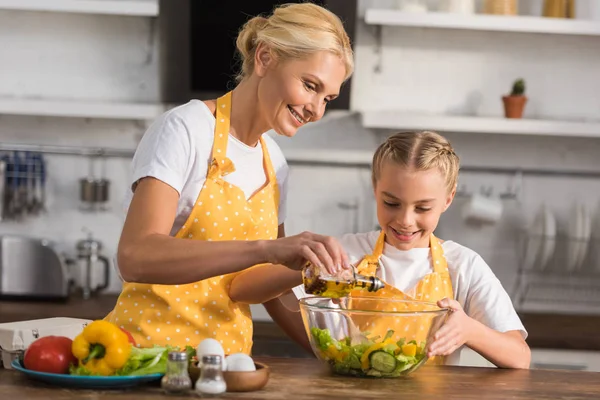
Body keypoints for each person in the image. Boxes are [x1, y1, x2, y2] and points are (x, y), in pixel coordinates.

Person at [104, 2, 355, 354]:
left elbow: (247, 286)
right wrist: (269, 249)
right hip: (148, 358)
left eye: (327, 97)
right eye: (310, 85)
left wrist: (311, 274)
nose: (317, 109)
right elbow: (135, 256)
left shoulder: (275, 164)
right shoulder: (185, 128)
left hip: (225, 368)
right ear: (265, 58)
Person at [230, 131, 531, 369]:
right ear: (375, 188)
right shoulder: (345, 252)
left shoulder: (463, 265)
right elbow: (244, 288)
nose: (405, 220)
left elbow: (520, 356)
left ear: (448, 200)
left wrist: (469, 330)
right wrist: (301, 268)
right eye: (391, 203)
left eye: (422, 208)